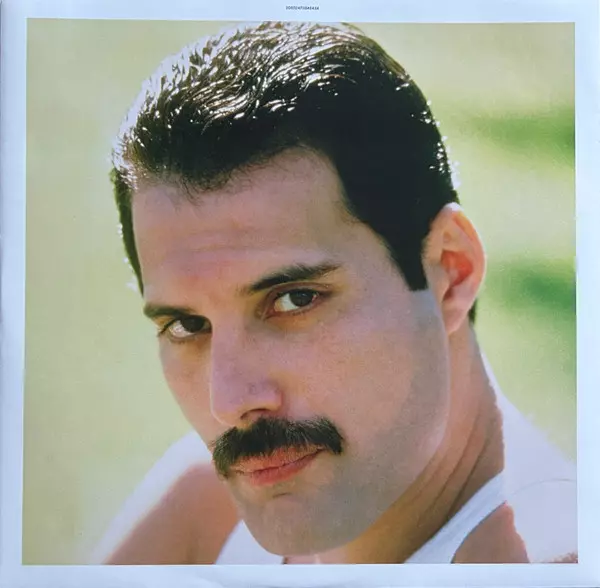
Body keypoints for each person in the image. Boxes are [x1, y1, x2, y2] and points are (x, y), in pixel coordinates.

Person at [92, 21, 576, 565]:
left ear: (450, 271)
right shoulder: (204, 516)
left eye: (294, 300)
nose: (228, 403)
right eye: (187, 325)